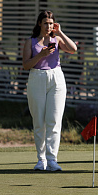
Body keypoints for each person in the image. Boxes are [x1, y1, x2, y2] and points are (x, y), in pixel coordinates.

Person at [22, 10, 77, 171]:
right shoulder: (30, 42)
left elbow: (73, 49)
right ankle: (41, 160)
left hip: (56, 78)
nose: (48, 26)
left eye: (51, 23)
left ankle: (52, 159)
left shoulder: (56, 38)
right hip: (37, 78)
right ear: (40, 23)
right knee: (39, 121)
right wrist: (42, 55)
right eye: (46, 23)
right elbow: (26, 65)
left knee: (54, 120)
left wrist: (60, 32)